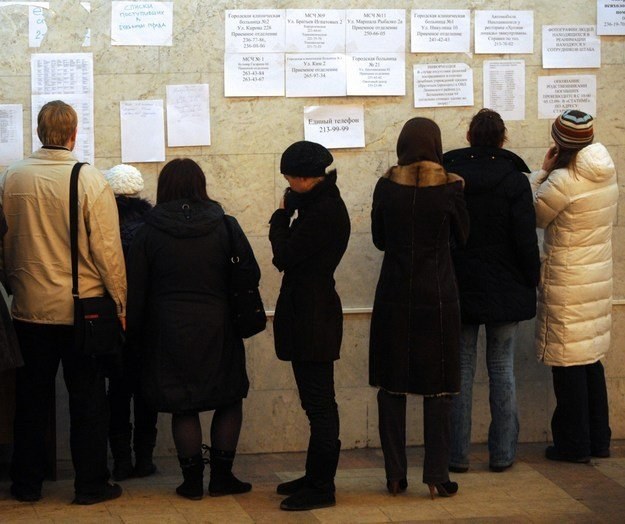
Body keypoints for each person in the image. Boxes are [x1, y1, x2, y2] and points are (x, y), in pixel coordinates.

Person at [0, 100, 126, 504]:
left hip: (27, 309)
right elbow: (108, 251)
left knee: (31, 401)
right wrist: (120, 304)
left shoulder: (11, 177)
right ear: (73, 133)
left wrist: (14, 284)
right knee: (88, 400)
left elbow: (2, 243)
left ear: (39, 131)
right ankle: (90, 485)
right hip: (81, 311)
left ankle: (26, 484)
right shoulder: (88, 179)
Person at [126, 158, 257, 500]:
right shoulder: (225, 225)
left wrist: (133, 335)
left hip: (167, 330)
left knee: (184, 404)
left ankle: (192, 481)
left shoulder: (148, 231)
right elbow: (249, 273)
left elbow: (135, 288)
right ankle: (222, 477)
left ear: (164, 188)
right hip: (219, 324)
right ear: (201, 185)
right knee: (228, 397)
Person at [369, 117, 469, 499]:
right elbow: (463, 237)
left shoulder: (385, 186)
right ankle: (437, 476)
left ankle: (395, 476)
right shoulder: (450, 187)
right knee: (439, 388)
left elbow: (379, 239)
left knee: (391, 387)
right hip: (438, 296)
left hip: (393, 294)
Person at [443, 109, 541, 473]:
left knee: (462, 369)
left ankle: (457, 455)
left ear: (469, 136)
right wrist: (532, 277)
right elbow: (524, 239)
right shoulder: (515, 180)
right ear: (503, 139)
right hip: (506, 286)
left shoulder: (451, 177)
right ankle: (502, 454)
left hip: (461, 283)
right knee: (502, 369)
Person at [530, 110, 618, 463]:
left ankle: (573, 444)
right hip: (596, 283)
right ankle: (599, 440)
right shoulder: (605, 174)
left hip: (567, 283)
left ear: (560, 143)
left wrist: (542, 172)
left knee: (567, 366)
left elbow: (533, 214)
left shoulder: (563, 181)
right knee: (591, 362)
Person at [269, 141, 350, 511]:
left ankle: (322, 487)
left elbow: (283, 256)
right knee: (315, 402)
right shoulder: (319, 202)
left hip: (313, 316)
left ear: (304, 178)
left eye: (289, 178)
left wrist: (280, 218)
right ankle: (314, 476)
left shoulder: (323, 212)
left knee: (319, 405)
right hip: (311, 312)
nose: (286, 184)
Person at [104, 164, 158, 481]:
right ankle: (145, 460)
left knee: (118, 394)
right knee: (146, 393)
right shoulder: (152, 226)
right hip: (147, 320)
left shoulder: (103, 224)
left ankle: (121, 461)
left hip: (113, 320)